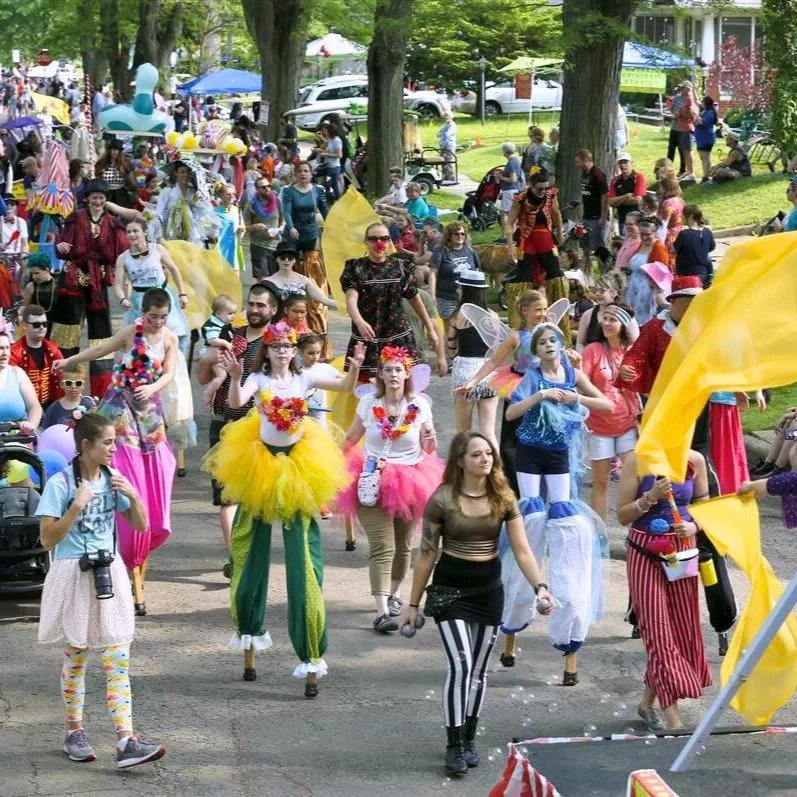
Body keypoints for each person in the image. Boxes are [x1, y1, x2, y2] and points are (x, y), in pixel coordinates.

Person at [202, 322, 364, 695]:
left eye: (286, 347)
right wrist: (236, 375)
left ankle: (309, 652)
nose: (281, 352)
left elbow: (343, 387)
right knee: (250, 549)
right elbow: (238, 402)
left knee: (303, 559)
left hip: (298, 466)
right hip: (260, 466)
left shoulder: (306, 376)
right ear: (268, 350)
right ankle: (248, 632)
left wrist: (354, 365)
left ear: (294, 350)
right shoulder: (258, 378)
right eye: (275, 347)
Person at [399, 432, 552, 776]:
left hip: (488, 591)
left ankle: (468, 739)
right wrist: (412, 604)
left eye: (488, 454)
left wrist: (540, 586)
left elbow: (524, 550)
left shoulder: (503, 496)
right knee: (462, 665)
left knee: (480, 671)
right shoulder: (442, 500)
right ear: (460, 461)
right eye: (477, 454)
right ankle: (453, 747)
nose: (485, 459)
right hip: (450, 590)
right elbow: (426, 555)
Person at [36, 412, 166, 768]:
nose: (114, 448)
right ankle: (74, 731)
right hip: (73, 573)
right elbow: (47, 538)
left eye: (114, 441)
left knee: (117, 657)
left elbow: (141, 525)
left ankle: (126, 739)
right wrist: (76, 506)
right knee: (77, 655)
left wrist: (134, 496)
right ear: (86, 446)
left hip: (109, 571)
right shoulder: (61, 484)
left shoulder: (114, 479)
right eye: (108, 442)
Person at [53, 288, 181, 617]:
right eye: (152, 316)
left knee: (158, 463)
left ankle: (143, 532)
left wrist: (152, 387)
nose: (156, 322)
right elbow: (102, 349)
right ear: (144, 312)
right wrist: (69, 360)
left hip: (149, 412)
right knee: (118, 462)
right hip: (120, 406)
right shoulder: (131, 333)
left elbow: (169, 372)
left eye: (162, 317)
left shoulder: (168, 339)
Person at [500, 322, 611, 682]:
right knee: (531, 517)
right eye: (542, 342)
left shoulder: (573, 372)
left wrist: (575, 396)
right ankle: (512, 626)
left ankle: (569, 644)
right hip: (530, 453)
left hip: (560, 455)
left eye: (553, 340)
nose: (548, 345)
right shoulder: (533, 376)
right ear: (535, 349)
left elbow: (607, 404)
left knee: (564, 523)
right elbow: (511, 414)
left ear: (561, 344)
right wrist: (539, 397)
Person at [338, 345, 445, 632]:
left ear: (407, 373)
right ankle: (382, 611)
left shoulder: (420, 406)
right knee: (382, 546)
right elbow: (351, 437)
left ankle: (395, 593)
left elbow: (429, 447)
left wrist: (431, 439)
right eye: (388, 369)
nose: (393, 374)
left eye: (398, 369)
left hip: (411, 479)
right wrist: (330, 466)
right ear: (381, 375)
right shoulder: (368, 404)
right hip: (372, 477)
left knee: (403, 546)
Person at [617, 449, 711, 730]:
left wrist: (694, 526)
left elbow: (704, 504)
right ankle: (674, 718)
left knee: (681, 631)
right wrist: (651, 497)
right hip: (645, 550)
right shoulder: (636, 459)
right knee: (657, 632)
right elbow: (622, 515)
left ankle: (646, 704)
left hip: (682, 552)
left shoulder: (695, 460)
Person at [196, 284, 279, 576]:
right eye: (251, 304)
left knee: (256, 497)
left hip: (260, 429)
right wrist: (207, 359)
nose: (254, 309)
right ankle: (238, 559)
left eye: (261, 305)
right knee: (227, 496)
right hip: (223, 422)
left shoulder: (277, 343)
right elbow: (202, 376)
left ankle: (252, 554)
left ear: (273, 310)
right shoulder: (231, 335)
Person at [54, 179, 129, 396]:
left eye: (101, 198)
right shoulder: (75, 218)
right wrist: (59, 245)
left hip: (99, 281)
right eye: (94, 197)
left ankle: (100, 390)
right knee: (67, 331)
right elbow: (62, 247)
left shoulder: (113, 223)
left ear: (106, 200)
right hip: (73, 280)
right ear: (87, 199)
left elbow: (123, 250)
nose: (98, 201)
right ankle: (63, 385)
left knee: (102, 335)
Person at [341, 222, 440, 382]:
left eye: (384, 238)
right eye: (373, 239)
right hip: (368, 337)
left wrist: (430, 328)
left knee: (401, 384)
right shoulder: (356, 268)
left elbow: (414, 297)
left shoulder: (399, 267)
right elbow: (351, 298)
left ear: (389, 243)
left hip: (398, 336)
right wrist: (359, 322)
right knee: (367, 389)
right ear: (365, 241)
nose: (379, 243)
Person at [580, 304, 640, 519]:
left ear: (624, 324)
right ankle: (600, 535)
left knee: (634, 478)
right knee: (601, 482)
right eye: (604, 318)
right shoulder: (593, 350)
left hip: (628, 424)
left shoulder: (634, 350)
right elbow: (582, 381)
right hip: (599, 426)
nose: (605, 323)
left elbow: (645, 383)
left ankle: (635, 532)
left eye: (612, 319)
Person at [503, 168, 570, 341]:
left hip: (546, 238)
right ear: (531, 186)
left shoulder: (550, 196)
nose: (543, 192)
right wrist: (511, 248)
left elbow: (556, 214)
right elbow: (509, 224)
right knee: (523, 278)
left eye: (545, 188)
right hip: (527, 240)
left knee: (556, 276)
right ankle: (520, 325)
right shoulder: (521, 199)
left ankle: (560, 324)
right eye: (539, 188)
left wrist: (560, 234)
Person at [114, 219, 189, 353]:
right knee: (142, 339)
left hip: (161, 296)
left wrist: (182, 294)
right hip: (140, 301)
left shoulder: (157, 249)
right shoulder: (123, 258)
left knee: (172, 332)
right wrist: (123, 299)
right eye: (129, 232)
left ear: (145, 233)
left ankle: (173, 365)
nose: (131, 234)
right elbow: (117, 284)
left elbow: (173, 269)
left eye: (135, 231)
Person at [446, 270, 500, 449]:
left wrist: (451, 357)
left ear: (465, 289)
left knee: (463, 432)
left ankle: (461, 473)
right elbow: (496, 346)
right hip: (488, 372)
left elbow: (451, 342)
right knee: (489, 432)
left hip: (465, 372)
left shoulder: (458, 314)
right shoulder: (493, 315)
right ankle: (497, 473)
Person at [429, 221, 482, 331]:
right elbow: (433, 273)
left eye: (463, 234)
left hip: (468, 297)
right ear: (449, 236)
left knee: (467, 330)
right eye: (456, 234)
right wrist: (432, 295)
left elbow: (478, 273)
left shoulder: (470, 250)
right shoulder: (441, 251)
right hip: (446, 298)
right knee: (451, 331)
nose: (460, 236)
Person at [10, 304, 63, 410]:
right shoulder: (14, 353)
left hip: (50, 405)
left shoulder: (53, 349)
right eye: (36, 324)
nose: (42, 328)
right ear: (24, 325)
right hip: (23, 408)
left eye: (44, 324)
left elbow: (62, 377)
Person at [623, 216, 671, 326]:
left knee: (645, 321)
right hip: (634, 288)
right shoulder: (641, 244)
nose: (644, 238)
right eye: (641, 234)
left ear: (654, 232)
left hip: (648, 291)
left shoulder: (658, 247)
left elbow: (661, 275)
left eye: (647, 235)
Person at [576, 272, 639, 352]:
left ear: (613, 293)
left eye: (602, 291)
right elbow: (580, 343)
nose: (597, 294)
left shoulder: (626, 317)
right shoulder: (588, 315)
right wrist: (586, 358)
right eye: (596, 290)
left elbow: (636, 345)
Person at [200, 294, 239, 410]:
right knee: (221, 376)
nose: (233, 316)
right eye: (230, 313)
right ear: (218, 313)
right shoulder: (214, 325)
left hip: (217, 353)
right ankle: (208, 394)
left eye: (234, 313)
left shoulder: (222, 322)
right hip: (211, 353)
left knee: (220, 375)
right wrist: (225, 343)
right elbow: (212, 340)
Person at [282, 161, 328, 253]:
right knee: (291, 264)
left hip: (311, 234)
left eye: (306, 171)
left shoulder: (318, 190)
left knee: (312, 264)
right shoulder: (288, 191)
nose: (303, 174)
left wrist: (331, 225)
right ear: (295, 174)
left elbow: (324, 210)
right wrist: (291, 228)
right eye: (299, 171)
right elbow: (287, 212)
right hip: (293, 233)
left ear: (311, 174)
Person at [0, 329, 42, 428]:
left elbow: (35, 407)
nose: (5, 353)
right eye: (1, 348)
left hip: (18, 437)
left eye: (7, 348)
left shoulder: (17, 373)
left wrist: (30, 427)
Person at [244, 177, 283, 279]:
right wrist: (254, 227)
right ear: (257, 189)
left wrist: (280, 230)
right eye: (263, 187)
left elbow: (283, 221)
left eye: (269, 186)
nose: (267, 189)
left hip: (275, 246)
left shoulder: (277, 201)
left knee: (275, 279)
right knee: (263, 280)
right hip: (258, 246)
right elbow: (244, 227)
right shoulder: (251, 205)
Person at [575, 149, 608, 254]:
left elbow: (605, 195)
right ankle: (587, 269)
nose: (577, 165)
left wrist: (603, 216)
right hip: (587, 216)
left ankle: (605, 269)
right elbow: (587, 192)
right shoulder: (584, 174)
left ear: (585, 160)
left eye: (578, 162)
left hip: (596, 217)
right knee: (585, 247)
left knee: (599, 249)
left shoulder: (598, 174)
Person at [674, 204, 715, 288]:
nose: (681, 216)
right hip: (705, 271)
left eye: (683, 214)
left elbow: (674, 249)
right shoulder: (707, 232)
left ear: (690, 217)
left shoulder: (685, 234)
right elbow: (711, 247)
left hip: (688, 274)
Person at [22, 252, 61, 334]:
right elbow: (24, 308)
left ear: (46, 270)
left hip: (56, 328)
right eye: (32, 273)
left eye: (37, 273)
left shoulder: (59, 285)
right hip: (37, 328)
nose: (33, 277)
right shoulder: (31, 286)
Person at [608, 153, 646, 234]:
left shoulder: (638, 177)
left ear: (631, 163)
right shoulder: (615, 181)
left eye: (625, 162)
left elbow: (638, 200)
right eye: (620, 163)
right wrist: (626, 196)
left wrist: (618, 202)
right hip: (622, 219)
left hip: (637, 220)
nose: (623, 165)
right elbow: (610, 202)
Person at [214, 183, 246, 271]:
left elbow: (243, 228)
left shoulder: (237, 210)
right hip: (220, 250)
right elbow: (210, 232)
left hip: (234, 249)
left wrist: (241, 230)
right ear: (221, 196)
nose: (231, 196)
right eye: (228, 194)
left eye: (233, 194)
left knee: (236, 282)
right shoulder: (214, 212)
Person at [674, 81, 699, 182]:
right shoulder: (685, 99)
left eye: (683, 88)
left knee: (688, 150)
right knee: (684, 150)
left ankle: (691, 172)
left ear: (688, 88)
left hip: (687, 128)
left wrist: (679, 114)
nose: (681, 90)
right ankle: (688, 171)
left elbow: (692, 114)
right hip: (681, 127)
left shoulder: (690, 99)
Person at [658, 175, 685, 267]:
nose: (660, 190)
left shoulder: (668, 203)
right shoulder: (680, 200)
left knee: (670, 261)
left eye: (661, 187)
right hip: (679, 233)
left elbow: (664, 222)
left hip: (669, 236)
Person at [497, 142, 524, 228]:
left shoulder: (511, 162)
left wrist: (500, 177)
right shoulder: (517, 160)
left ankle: (506, 235)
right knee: (513, 213)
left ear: (505, 151)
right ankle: (513, 233)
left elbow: (513, 179)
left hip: (510, 190)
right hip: (516, 189)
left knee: (504, 213)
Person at [695, 96, 718, 183]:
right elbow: (696, 101)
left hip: (706, 138)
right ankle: (708, 174)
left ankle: (706, 177)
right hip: (702, 138)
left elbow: (702, 122)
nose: (702, 103)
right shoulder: (706, 111)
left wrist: (694, 114)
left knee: (705, 157)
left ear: (706, 103)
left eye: (703, 102)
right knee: (705, 157)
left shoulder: (710, 112)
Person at [437, 112, 457, 182]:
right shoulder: (445, 125)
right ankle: (445, 177)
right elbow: (438, 133)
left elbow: (447, 134)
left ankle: (451, 178)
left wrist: (441, 134)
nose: (446, 117)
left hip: (449, 146)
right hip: (443, 145)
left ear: (451, 116)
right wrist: (440, 134)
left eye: (447, 115)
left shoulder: (452, 125)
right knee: (443, 162)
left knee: (449, 161)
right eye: (445, 115)